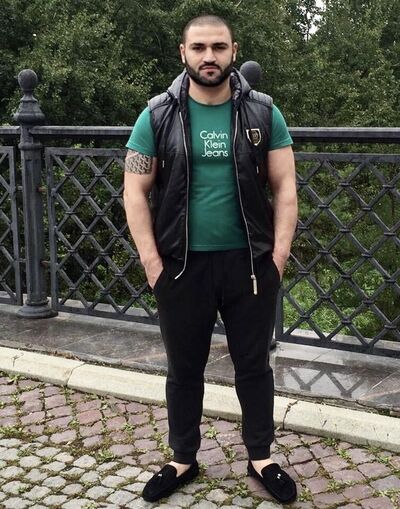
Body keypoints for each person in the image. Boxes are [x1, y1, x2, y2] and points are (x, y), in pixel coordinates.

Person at [123, 14, 298, 504]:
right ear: (183, 53)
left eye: (218, 47)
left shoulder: (263, 113)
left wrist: (278, 257)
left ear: (233, 51)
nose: (209, 57)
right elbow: (134, 191)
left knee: (254, 367)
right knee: (183, 370)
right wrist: (152, 265)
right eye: (199, 47)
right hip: (181, 267)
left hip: (250, 266)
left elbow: (285, 188)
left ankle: (260, 457)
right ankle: (183, 458)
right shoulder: (157, 115)